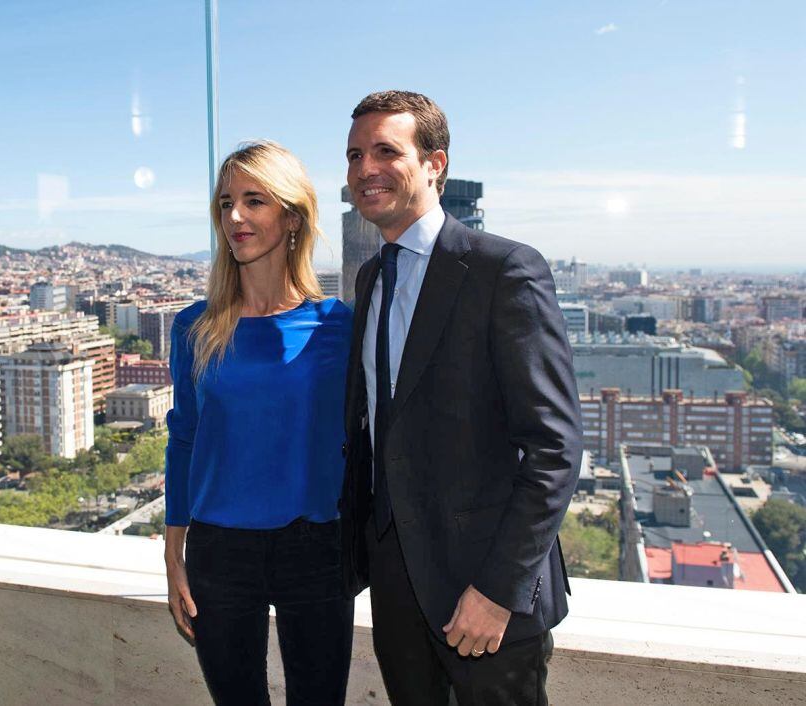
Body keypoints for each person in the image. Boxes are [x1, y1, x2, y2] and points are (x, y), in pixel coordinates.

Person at [338, 90, 583, 705]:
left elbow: (554, 449)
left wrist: (498, 590)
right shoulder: (370, 278)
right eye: (354, 154)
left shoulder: (504, 270)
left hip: (488, 595)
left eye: (386, 152)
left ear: (434, 164)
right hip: (398, 594)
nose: (365, 169)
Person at [164, 140, 354, 706]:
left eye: (255, 201)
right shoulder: (194, 327)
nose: (236, 217)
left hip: (317, 549)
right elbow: (184, 437)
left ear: (292, 216)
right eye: (226, 203)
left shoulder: (336, 326)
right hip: (219, 553)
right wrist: (174, 554)